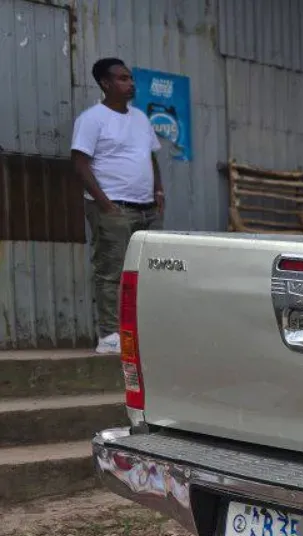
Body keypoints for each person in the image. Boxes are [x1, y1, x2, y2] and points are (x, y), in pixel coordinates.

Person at [71, 57, 164, 355]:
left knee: (148, 273)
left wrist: (159, 191)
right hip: (114, 209)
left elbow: (151, 157)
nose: (130, 84)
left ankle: (140, 332)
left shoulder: (140, 118)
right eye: (122, 79)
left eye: (131, 78)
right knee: (112, 272)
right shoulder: (92, 119)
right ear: (106, 83)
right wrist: (104, 204)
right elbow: (80, 162)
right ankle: (110, 335)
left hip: (147, 209)